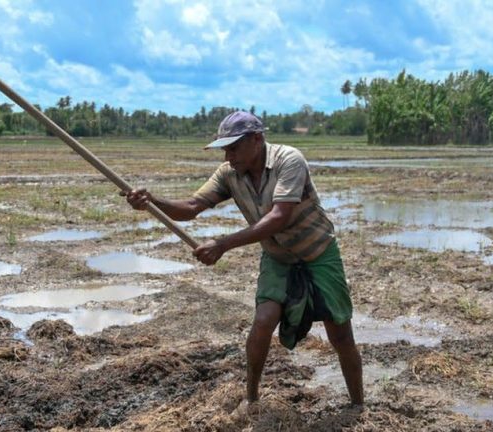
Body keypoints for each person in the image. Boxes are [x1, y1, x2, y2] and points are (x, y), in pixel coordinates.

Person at [122, 111, 364, 407]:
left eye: (233, 147)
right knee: (263, 320)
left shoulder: (289, 160)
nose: (228, 155)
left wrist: (222, 244)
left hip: (317, 252)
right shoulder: (229, 173)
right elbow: (192, 206)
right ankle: (251, 399)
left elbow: (279, 217)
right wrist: (152, 202)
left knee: (339, 333)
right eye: (225, 149)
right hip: (277, 257)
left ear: (257, 139)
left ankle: (358, 404)